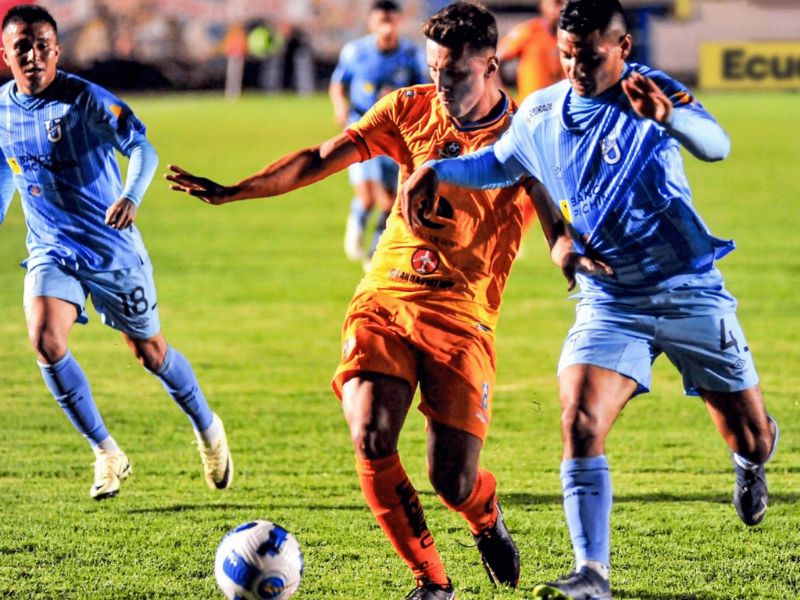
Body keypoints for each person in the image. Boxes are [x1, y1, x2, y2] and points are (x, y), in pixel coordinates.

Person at [168, 3, 595, 597]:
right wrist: (235, 191)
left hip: (463, 318)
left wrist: (573, 261)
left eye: (456, 75)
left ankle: (483, 514)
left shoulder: (525, 135)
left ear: (491, 65)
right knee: (371, 434)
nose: (441, 87)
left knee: (451, 480)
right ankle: (432, 582)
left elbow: (554, 226)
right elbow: (322, 157)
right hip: (386, 299)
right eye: (435, 70)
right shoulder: (408, 107)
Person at [399, 1, 779, 598]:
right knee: (579, 419)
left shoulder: (651, 92)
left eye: (591, 54)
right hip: (608, 301)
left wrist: (674, 120)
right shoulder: (545, 110)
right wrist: (438, 172)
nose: (575, 65)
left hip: (687, 291)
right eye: (569, 52)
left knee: (749, 435)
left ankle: (751, 461)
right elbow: (501, 162)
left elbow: (716, 144)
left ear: (623, 48)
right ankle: (592, 573)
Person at [0, 5, 233, 501]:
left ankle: (209, 428)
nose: (33, 55)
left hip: (111, 249)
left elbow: (141, 146)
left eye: (43, 45)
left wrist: (130, 195)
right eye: (22, 46)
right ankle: (107, 452)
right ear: (6, 53)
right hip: (51, 250)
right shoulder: (2, 108)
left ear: (57, 51)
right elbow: (6, 167)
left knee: (149, 353)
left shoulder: (84, 99)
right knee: (45, 341)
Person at [329, 0, 427, 266]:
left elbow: (422, 89)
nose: (386, 26)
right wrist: (341, 109)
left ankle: (375, 247)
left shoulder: (410, 54)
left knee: (392, 198)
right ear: (372, 22)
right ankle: (357, 222)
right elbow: (338, 85)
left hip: (394, 136)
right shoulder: (355, 52)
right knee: (368, 196)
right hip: (361, 129)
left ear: (398, 22)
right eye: (381, 20)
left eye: (391, 20)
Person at [497, 0, 564, 102]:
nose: (559, 9)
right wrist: (504, 95)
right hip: (531, 108)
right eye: (556, 3)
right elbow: (496, 60)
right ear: (543, 5)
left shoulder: (570, 37)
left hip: (559, 107)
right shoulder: (529, 31)